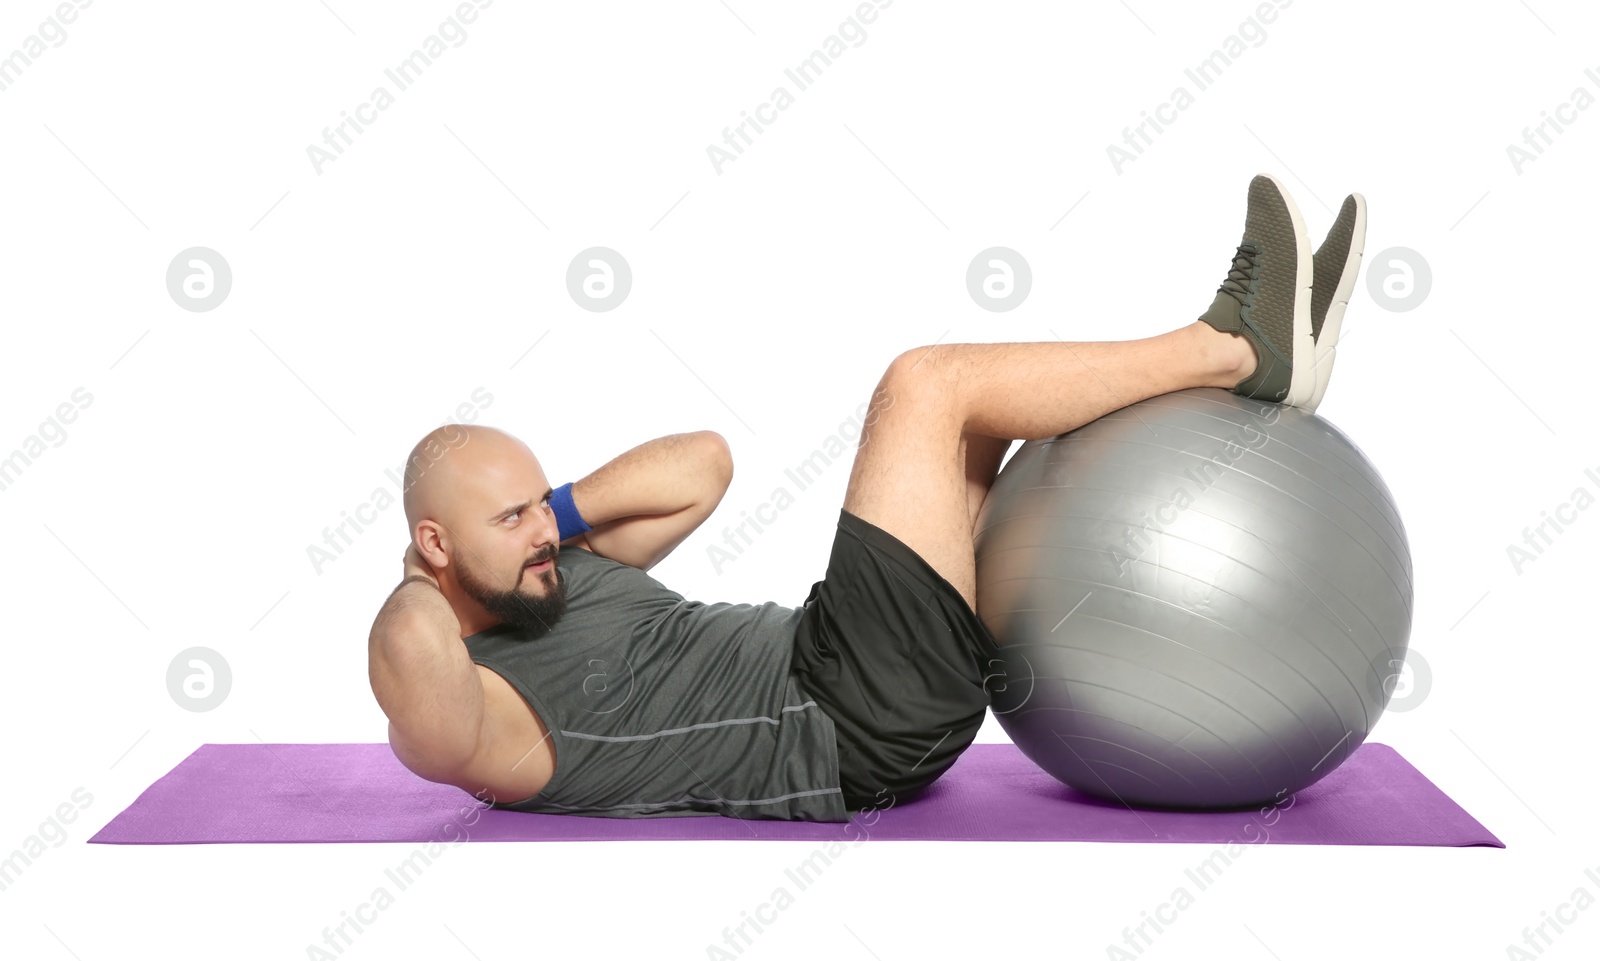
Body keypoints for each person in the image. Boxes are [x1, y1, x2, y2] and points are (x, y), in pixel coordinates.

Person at [366, 173, 1367, 823]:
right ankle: (1234, 347)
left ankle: (1270, 344)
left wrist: (547, 518)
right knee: (927, 386)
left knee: (979, 419)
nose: (541, 531)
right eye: (509, 522)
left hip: (841, 661)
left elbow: (701, 465)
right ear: (435, 547)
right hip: (843, 720)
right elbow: (416, 664)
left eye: (535, 506)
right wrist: (427, 581)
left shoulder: (554, 573)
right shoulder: (489, 718)